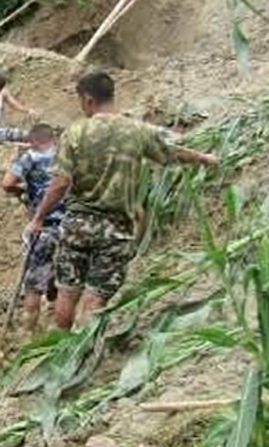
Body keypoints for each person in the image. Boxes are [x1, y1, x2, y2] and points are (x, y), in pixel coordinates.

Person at [26, 70, 218, 330]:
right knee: (95, 299)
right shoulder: (137, 131)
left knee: (67, 292)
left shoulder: (75, 132)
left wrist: (38, 218)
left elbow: (60, 183)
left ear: (88, 99)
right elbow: (171, 152)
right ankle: (83, 347)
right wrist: (204, 159)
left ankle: (61, 343)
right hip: (116, 229)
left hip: (77, 225)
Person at [2, 123, 66, 333]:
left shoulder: (28, 158)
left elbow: (7, 183)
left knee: (33, 285)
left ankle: (28, 332)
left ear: (34, 141)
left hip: (43, 228)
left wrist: (22, 189)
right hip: (69, 227)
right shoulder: (65, 157)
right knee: (65, 282)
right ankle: (60, 332)